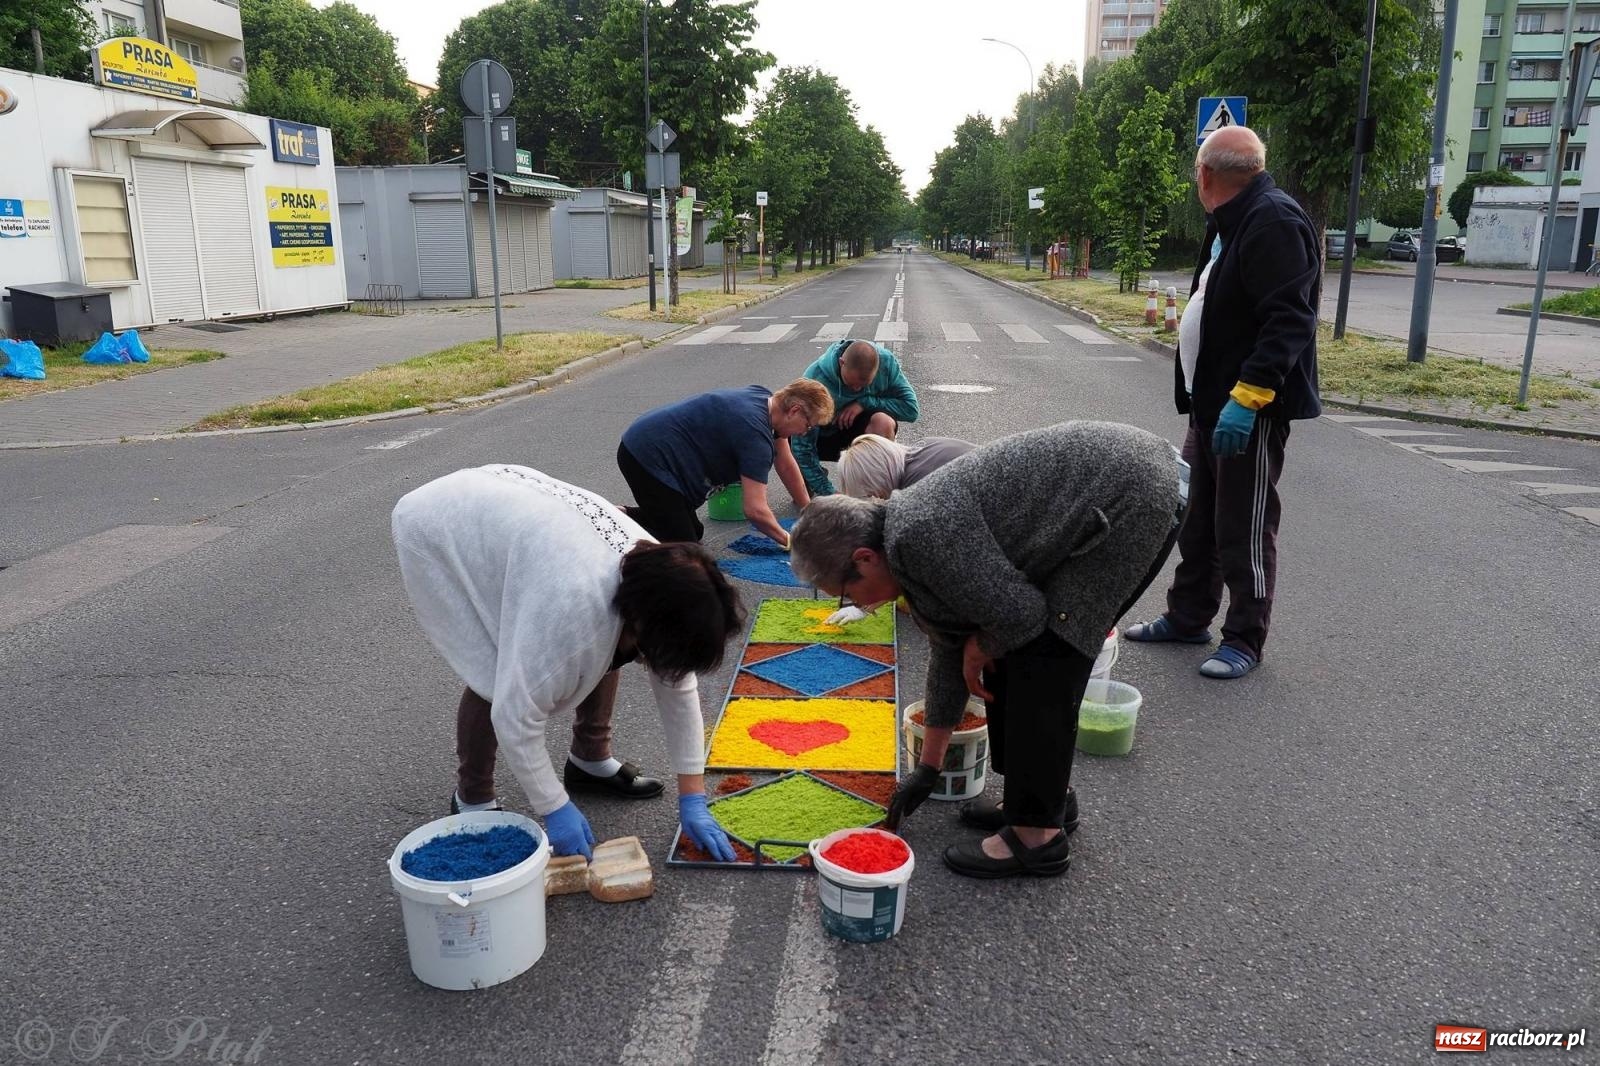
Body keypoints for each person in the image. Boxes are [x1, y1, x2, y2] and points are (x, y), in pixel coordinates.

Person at [787, 422, 1187, 880]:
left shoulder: (920, 534)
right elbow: (949, 646)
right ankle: (1039, 801)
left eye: (843, 592)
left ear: (864, 558)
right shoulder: (903, 547)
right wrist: (929, 768)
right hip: (1108, 486)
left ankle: (1037, 839)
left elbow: (1020, 617)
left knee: (1048, 650)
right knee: (1004, 653)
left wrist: (982, 643)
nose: (854, 604)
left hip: (1130, 493)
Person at [392, 464, 744, 862]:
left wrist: (693, 795)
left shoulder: (662, 578)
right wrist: (553, 807)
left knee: (610, 644)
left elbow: (677, 687)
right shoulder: (571, 615)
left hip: (522, 522)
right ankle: (472, 796)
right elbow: (515, 716)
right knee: (496, 668)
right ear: (645, 621)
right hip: (445, 526)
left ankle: (588, 758)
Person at [1123, 124, 1321, 680]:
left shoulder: (1273, 220)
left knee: (1244, 524)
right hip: (1212, 403)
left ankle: (1245, 638)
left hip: (1246, 409)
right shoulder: (1233, 221)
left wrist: (1249, 398)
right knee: (1197, 520)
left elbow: (1291, 319)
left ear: (1205, 174)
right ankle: (1188, 616)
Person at [617, 380, 833, 547]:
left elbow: (785, 463)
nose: (805, 432)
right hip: (646, 457)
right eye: (807, 425)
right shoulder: (756, 438)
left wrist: (808, 510)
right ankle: (606, 522)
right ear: (794, 410)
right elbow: (755, 510)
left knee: (693, 530)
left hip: (649, 441)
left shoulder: (766, 400)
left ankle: (620, 514)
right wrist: (790, 541)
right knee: (686, 552)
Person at [789, 339, 920, 497]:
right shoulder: (815, 379)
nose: (856, 389)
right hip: (821, 438)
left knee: (883, 422)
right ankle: (812, 480)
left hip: (857, 434)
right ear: (841, 362)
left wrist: (864, 402)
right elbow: (802, 448)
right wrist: (831, 494)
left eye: (864, 386)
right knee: (789, 436)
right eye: (851, 385)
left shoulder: (886, 363)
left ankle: (878, 491)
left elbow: (911, 409)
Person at [835, 433, 976, 500]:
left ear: (876, 475)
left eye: (870, 491)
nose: (877, 496)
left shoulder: (915, 487)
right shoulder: (924, 444)